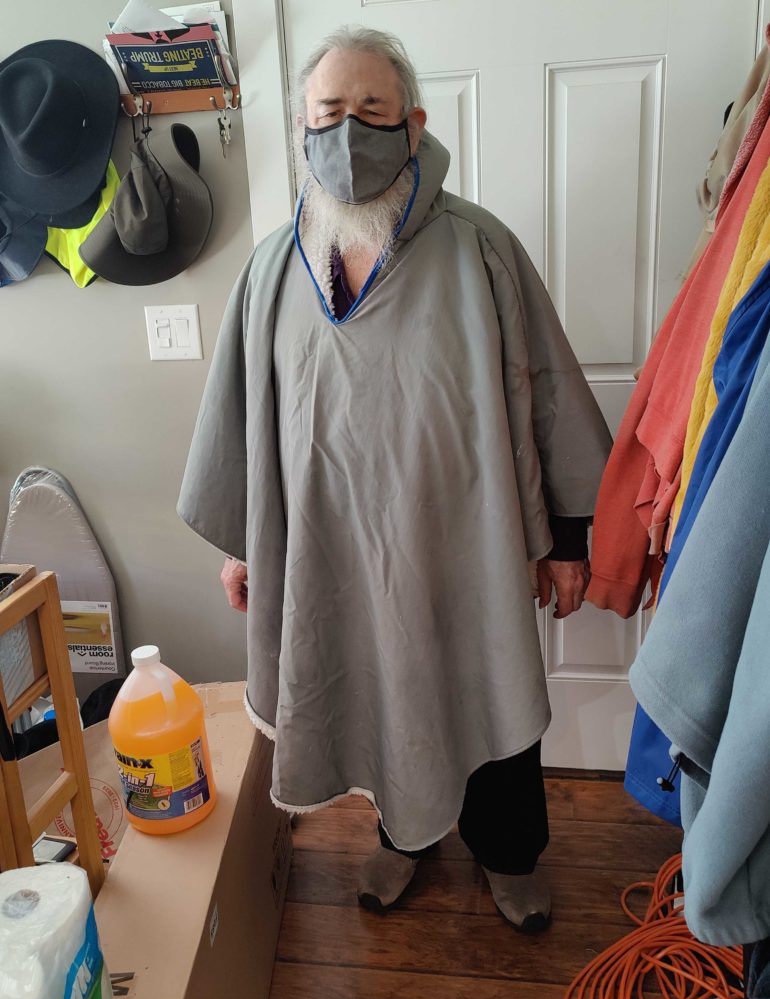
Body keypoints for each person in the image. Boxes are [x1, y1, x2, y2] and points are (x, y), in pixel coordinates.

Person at [179, 25, 612, 932]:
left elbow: (547, 394)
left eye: (371, 110)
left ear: (413, 124)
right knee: (373, 688)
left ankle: (507, 852)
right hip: (334, 548)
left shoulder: (480, 249)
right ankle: (403, 837)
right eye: (328, 112)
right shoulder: (273, 269)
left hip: (466, 543)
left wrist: (568, 539)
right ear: (302, 128)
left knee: (484, 685)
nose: (348, 133)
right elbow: (246, 425)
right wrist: (247, 546)